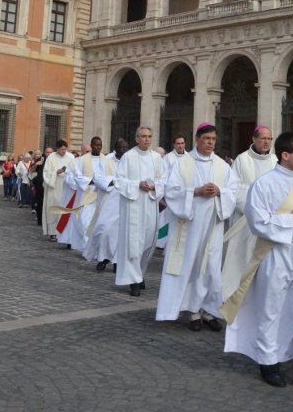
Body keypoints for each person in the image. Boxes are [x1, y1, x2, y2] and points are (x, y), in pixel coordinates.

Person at [222, 131, 293, 390]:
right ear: (285, 155)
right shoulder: (264, 184)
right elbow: (257, 222)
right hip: (274, 254)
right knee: (271, 310)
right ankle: (268, 363)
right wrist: (289, 220)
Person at [156, 123, 237, 330]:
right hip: (189, 227)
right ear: (197, 139)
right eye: (206, 138)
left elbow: (233, 191)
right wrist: (196, 191)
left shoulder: (222, 166)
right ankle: (193, 312)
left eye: (213, 139)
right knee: (191, 266)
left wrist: (220, 191)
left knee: (210, 268)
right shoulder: (183, 163)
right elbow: (171, 191)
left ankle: (210, 311)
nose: (210, 142)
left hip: (213, 227)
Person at [114, 127, 165, 297]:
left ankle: (140, 273)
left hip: (150, 204)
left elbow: (164, 180)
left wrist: (154, 186)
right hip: (133, 205)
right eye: (143, 136)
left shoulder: (157, 158)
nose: (147, 140)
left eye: (149, 136)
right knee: (134, 243)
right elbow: (119, 180)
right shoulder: (128, 157)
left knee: (149, 242)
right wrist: (137, 184)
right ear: (136, 139)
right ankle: (133, 280)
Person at [84, 138, 129, 271]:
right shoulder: (106, 161)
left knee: (121, 232)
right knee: (104, 230)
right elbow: (97, 178)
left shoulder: (131, 162)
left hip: (124, 201)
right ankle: (103, 257)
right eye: (121, 148)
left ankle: (116, 262)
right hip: (107, 201)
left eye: (126, 148)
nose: (124, 150)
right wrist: (112, 182)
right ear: (116, 148)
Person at [231, 125, 277, 223]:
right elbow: (233, 187)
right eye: (263, 138)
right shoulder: (242, 159)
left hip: (270, 215)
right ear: (254, 139)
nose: (267, 142)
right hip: (245, 216)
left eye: (269, 139)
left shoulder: (275, 160)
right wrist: (255, 208)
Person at [42, 140, 76, 240]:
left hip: (66, 185)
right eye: (62, 149)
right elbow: (46, 173)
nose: (64, 151)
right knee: (54, 208)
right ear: (57, 149)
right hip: (54, 185)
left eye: (65, 149)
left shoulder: (71, 157)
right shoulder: (51, 157)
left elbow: (75, 171)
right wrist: (57, 171)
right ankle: (53, 232)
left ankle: (64, 232)